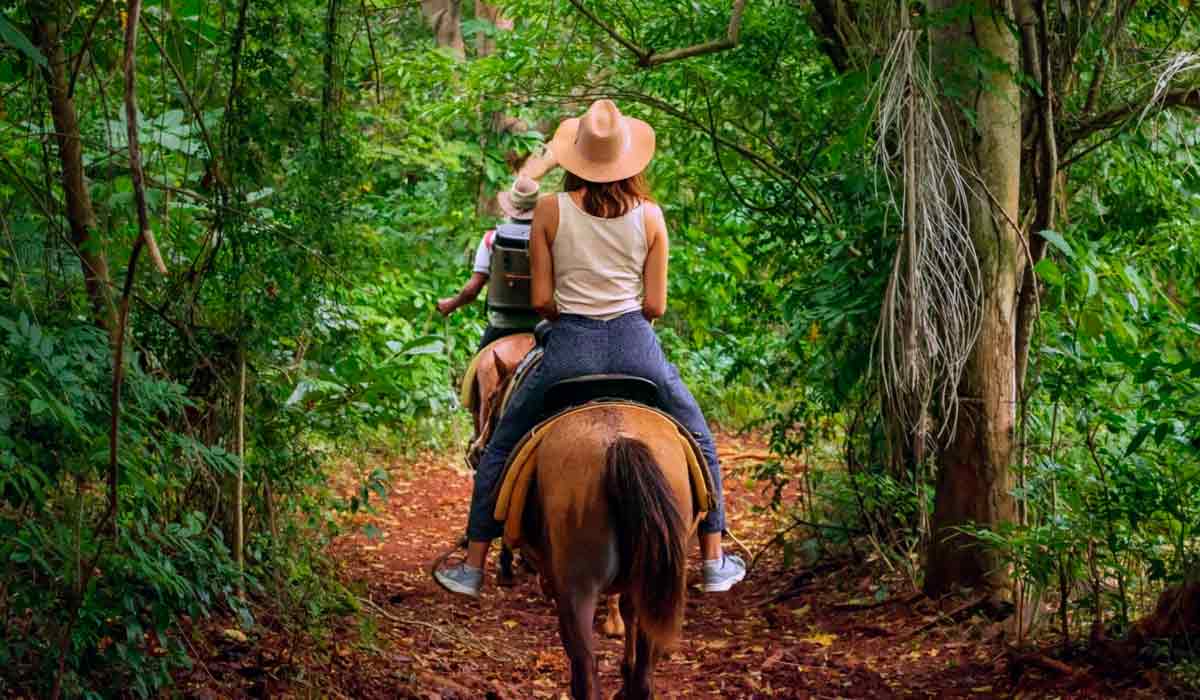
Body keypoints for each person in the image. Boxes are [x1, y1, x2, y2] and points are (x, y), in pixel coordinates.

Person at [434, 99, 746, 597]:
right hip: (635, 347)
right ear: (628, 160)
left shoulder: (551, 210)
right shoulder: (651, 215)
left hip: (568, 351)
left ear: (576, 159)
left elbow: (540, 300)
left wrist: (569, 318)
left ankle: (472, 564)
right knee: (699, 436)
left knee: (500, 443)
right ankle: (713, 558)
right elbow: (656, 306)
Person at [437, 175, 543, 348]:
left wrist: (451, 304)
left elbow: (472, 290)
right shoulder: (552, 239)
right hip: (542, 324)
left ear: (511, 206)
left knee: (473, 371)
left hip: (502, 324)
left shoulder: (491, 238)